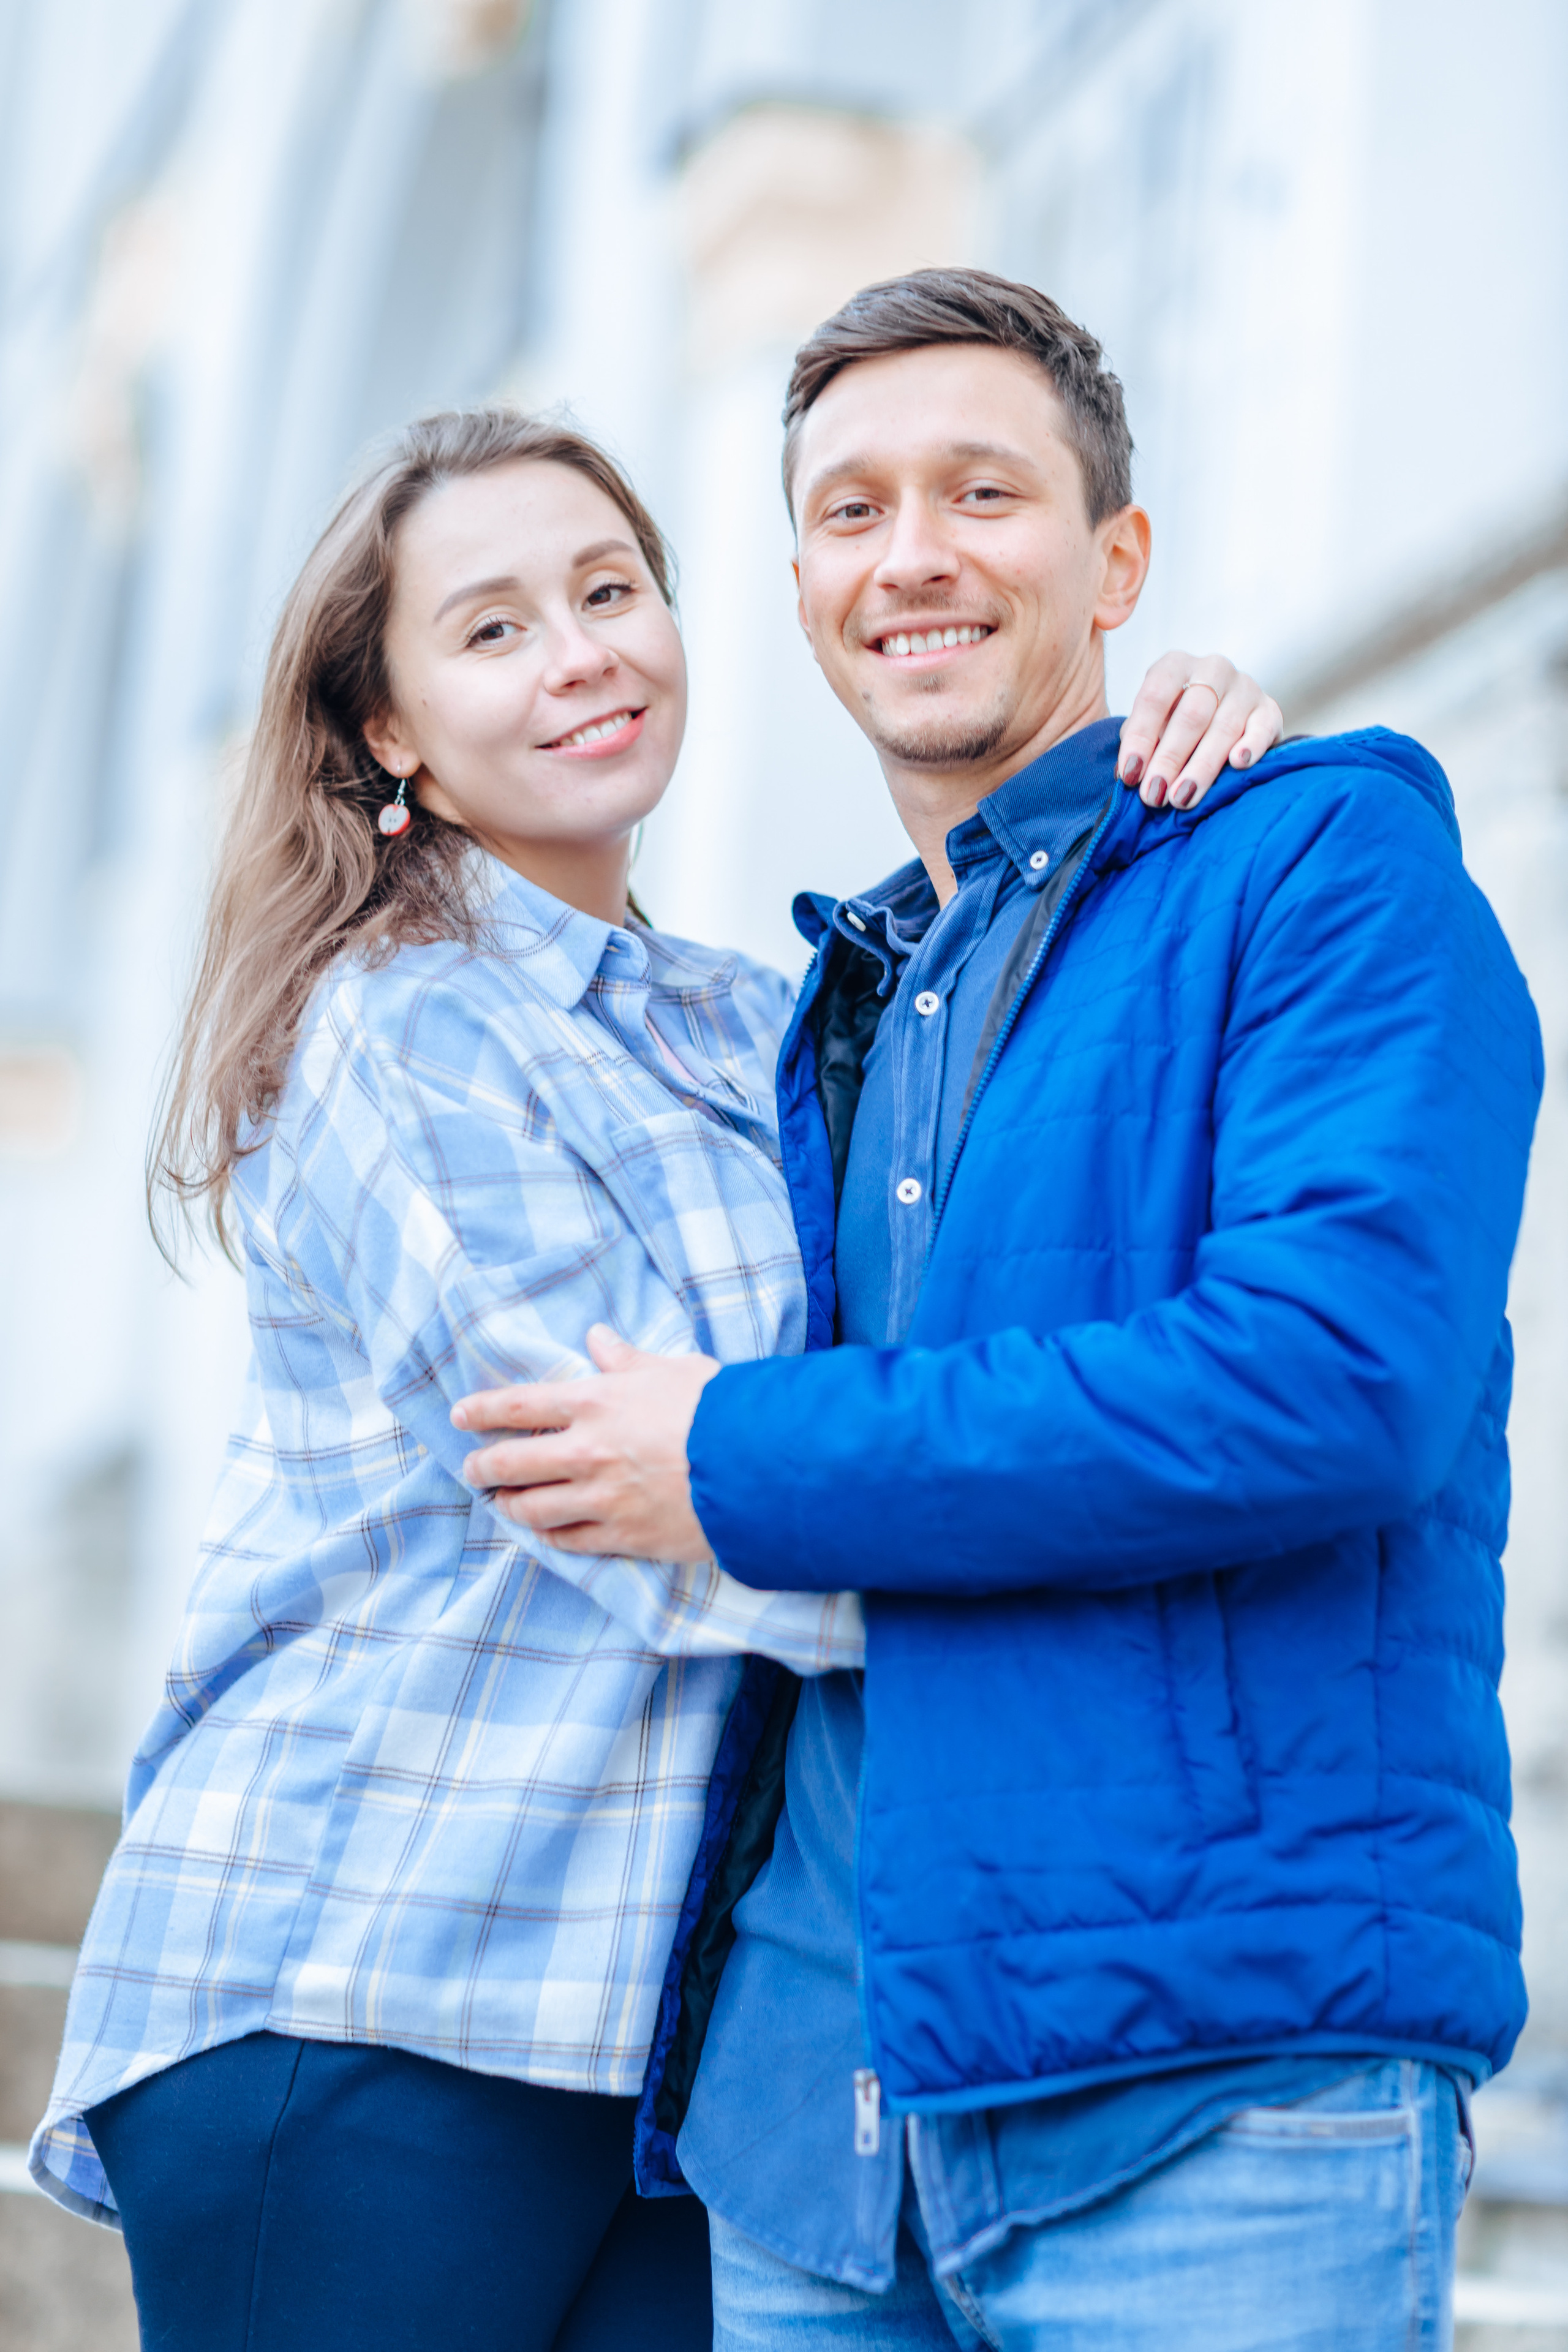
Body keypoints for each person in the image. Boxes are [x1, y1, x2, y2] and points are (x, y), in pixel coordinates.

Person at [29, 399, 1279, 2350]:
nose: (583, 651)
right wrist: (1098, 1551)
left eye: (611, 591)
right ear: (389, 732)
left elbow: (968, 1264)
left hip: (669, 2034)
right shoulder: (394, 1032)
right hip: (366, 1988)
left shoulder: (758, 1012)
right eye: (495, 627)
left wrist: (1162, 741)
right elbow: (624, 1488)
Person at [453, 270, 1545, 2351]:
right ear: (799, 589)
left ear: (1119, 558)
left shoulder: (1316, 870)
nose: (916, 555)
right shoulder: (841, 997)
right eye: (852, 512)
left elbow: (1334, 1388)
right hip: (818, 2134)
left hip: (1211, 2082)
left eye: (984, 492)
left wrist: (737, 1459)